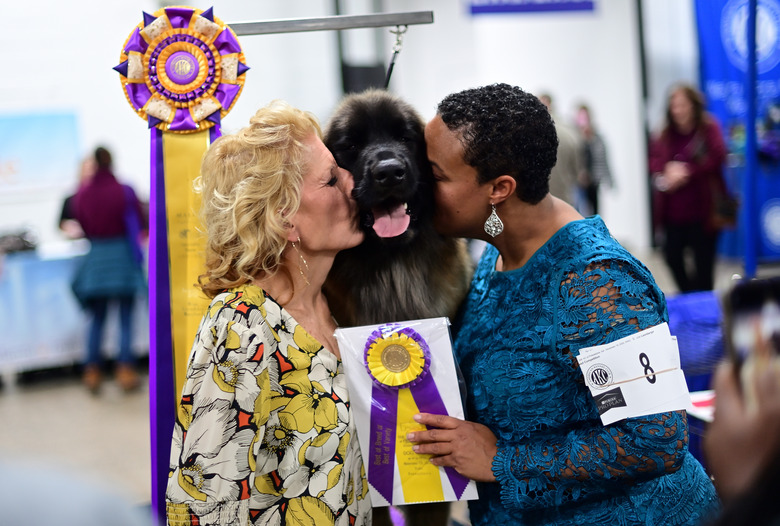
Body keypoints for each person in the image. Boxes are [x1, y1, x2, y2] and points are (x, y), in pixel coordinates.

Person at [408, 83, 720, 526]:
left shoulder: (596, 281)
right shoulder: (496, 252)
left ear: (499, 188)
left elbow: (657, 440)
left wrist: (502, 460)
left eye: (436, 176)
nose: (419, 187)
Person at [165, 100, 371, 525]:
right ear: (285, 220)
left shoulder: (337, 306)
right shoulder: (241, 324)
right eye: (332, 179)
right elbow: (203, 505)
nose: (355, 184)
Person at [71, 146, 145, 393]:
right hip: (123, 258)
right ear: (112, 162)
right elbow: (139, 219)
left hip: (97, 259)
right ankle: (125, 370)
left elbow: (80, 221)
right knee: (125, 317)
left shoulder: (82, 193)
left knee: (97, 318)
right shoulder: (124, 190)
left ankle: (92, 371)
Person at [649, 84, 728, 293]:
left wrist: (687, 172)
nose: (678, 110)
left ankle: (705, 309)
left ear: (693, 105)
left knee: (704, 265)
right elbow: (653, 160)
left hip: (703, 211)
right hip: (673, 213)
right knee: (671, 255)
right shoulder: (665, 133)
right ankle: (689, 294)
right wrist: (667, 172)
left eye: (682, 105)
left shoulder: (709, 128)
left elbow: (718, 156)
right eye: (674, 106)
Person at [538, 92, 584, 209]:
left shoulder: (532, 133)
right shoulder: (571, 132)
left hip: (540, 201)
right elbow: (577, 170)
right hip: (565, 200)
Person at [574, 103, 614, 216]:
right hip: (578, 182)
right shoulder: (573, 136)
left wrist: (609, 179)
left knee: (594, 212)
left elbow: (603, 158)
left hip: (594, 181)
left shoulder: (596, 137)